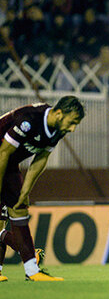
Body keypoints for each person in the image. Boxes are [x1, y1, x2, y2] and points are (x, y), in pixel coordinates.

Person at [0, 96, 85, 281]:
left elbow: (40, 159)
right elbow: (4, 151)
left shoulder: (57, 129)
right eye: (72, 123)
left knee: (18, 209)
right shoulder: (29, 119)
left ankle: (32, 271)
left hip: (9, 164)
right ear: (59, 113)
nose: (72, 129)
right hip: (2, 157)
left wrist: (25, 191)